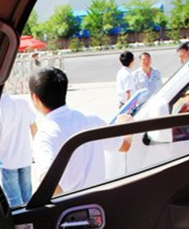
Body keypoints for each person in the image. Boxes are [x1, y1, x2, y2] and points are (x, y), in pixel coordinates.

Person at [30, 68, 132, 196]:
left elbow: (48, 182)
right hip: (99, 200)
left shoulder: (45, 135)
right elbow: (124, 145)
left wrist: (64, 202)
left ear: (35, 97)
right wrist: (126, 125)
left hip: (75, 205)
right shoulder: (92, 119)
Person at [0, 93, 38, 206]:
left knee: (14, 199)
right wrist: (37, 149)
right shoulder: (22, 102)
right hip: (25, 157)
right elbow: (33, 126)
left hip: (7, 160)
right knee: (28, 195)